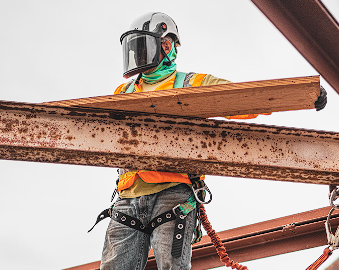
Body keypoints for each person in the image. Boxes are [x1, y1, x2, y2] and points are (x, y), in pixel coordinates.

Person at [98, 12, 327, 270]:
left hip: (172, 196)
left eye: (143, 47)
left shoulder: (192, 84)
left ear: (166, 45)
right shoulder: (124, 92)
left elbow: (244, 99)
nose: (137, 56)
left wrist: (305, 95)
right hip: (127, 197)